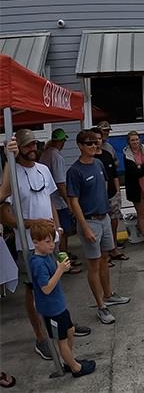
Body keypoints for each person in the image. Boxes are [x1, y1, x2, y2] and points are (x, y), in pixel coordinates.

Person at [0, 131, 63, 359]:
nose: (32, 148)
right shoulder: (11, 175)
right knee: (33, 290)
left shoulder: (43, 169)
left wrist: (57, 230)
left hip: (50, 241)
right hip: (28, 244)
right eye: (26, 146)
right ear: (19, 149)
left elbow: (50, 201)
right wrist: (31, 223)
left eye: (34, 144)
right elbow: (4, 217)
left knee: (53, 285)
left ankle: (58, 326)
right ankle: (40, 338)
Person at [67, 130, 131, 325]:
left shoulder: (98, 163)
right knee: (93, 264)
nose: (94, 146)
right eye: (89, 144)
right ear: (80, 146)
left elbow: (102, 188)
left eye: (96, 143)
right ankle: (100, 306)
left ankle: (109, 294)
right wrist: (84, 226)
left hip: (103, 217)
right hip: (90, 221)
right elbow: (73, 201)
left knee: (105, 258)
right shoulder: (75, 171)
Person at [28, 222, 96, 377]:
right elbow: (46, 288)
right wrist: (60, 270)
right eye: (47, 242)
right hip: (51, 308)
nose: (51, 245)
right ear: (35, 242)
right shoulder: (38, 263)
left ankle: (69, 360)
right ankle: (75, 367)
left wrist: (61, 267)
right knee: (62, 339)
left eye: (52, 240)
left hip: (58, 305)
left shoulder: (46, 256)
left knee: (70, 330)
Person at [38, 129, 81, 274]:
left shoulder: (45, 154)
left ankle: (62, 256)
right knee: (63, 232)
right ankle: (64, 262)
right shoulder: (56, 157)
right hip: (57, 202)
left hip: (48, 201)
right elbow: (60, 183)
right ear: (61, 141)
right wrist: (68, 202)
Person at [90, 128, 128, 263]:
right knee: (101, 226)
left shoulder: (107, 154)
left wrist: (118, 191)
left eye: (99, 139)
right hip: (99, 198)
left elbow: (114, 174)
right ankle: (103, 255)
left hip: (112, 194)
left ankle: (113, 248)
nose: (97, 142)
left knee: (113, 221)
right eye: (94, 140)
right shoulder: (91, 158)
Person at [96, 122, 125, 254]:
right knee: (103, 222)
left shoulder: (109, 149)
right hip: (99, 194)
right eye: (103, 131)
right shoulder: (93, 154)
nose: (106, 134)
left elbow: (115, 169)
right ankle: (105, 250)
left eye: (108, 131)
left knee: (114, 219)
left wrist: (118, 191)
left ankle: (113, 244)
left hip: (112, 191)